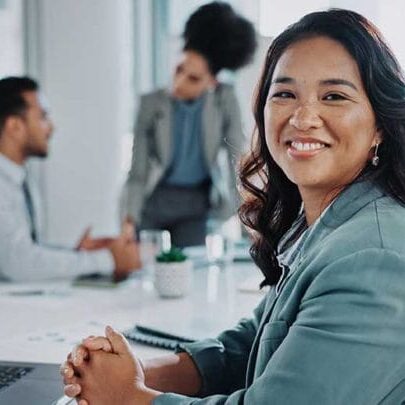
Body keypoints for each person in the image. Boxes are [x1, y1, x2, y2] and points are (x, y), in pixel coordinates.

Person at [61, 8, 405, 404]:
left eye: (334, 96)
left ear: (380, 123)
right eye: (285, 94)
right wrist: (140, 372)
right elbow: (253, 344)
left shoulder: (372, 256)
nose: (303, 117)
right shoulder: (322, 227)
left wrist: (128, 397)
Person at [122, 2, 256, 247]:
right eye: (179, 69)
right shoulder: (150, 104)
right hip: (154, 201)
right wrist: (128, 220)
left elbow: (237, 163)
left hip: (196, 205)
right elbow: (137, 171)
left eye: (193, 78)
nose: (179, 83)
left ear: (212, 82)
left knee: (191, 273)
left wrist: (251, 228)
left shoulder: (224, 101)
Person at [0, 76, 140, 282]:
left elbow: (22, 250)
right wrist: (108, 259)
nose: (51, 127)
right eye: (43, 117)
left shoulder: (20, 178)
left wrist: (78, 255)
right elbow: (18, 264)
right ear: (14, 126)